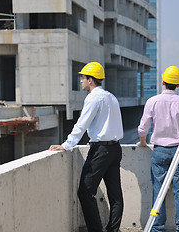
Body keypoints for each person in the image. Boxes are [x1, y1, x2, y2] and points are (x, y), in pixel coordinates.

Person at [49, 62, 124, 232]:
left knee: (85, 192)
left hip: (101, 151)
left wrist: (66, 145)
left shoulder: (93, 98)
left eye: (83, 78)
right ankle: (113, 230)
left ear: (90, 80)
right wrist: (96, 138)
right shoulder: (111, 97)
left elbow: (81, 124)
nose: (81, 81)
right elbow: (111, 124)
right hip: (114, 149)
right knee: (115, 195)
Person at [137, 66, 179, 232]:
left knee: (158, 192)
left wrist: (143, 142)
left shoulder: (153, 101)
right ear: (178, 85)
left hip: (159, 151)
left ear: (163, 82)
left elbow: (143, 129)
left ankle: (157, 228)